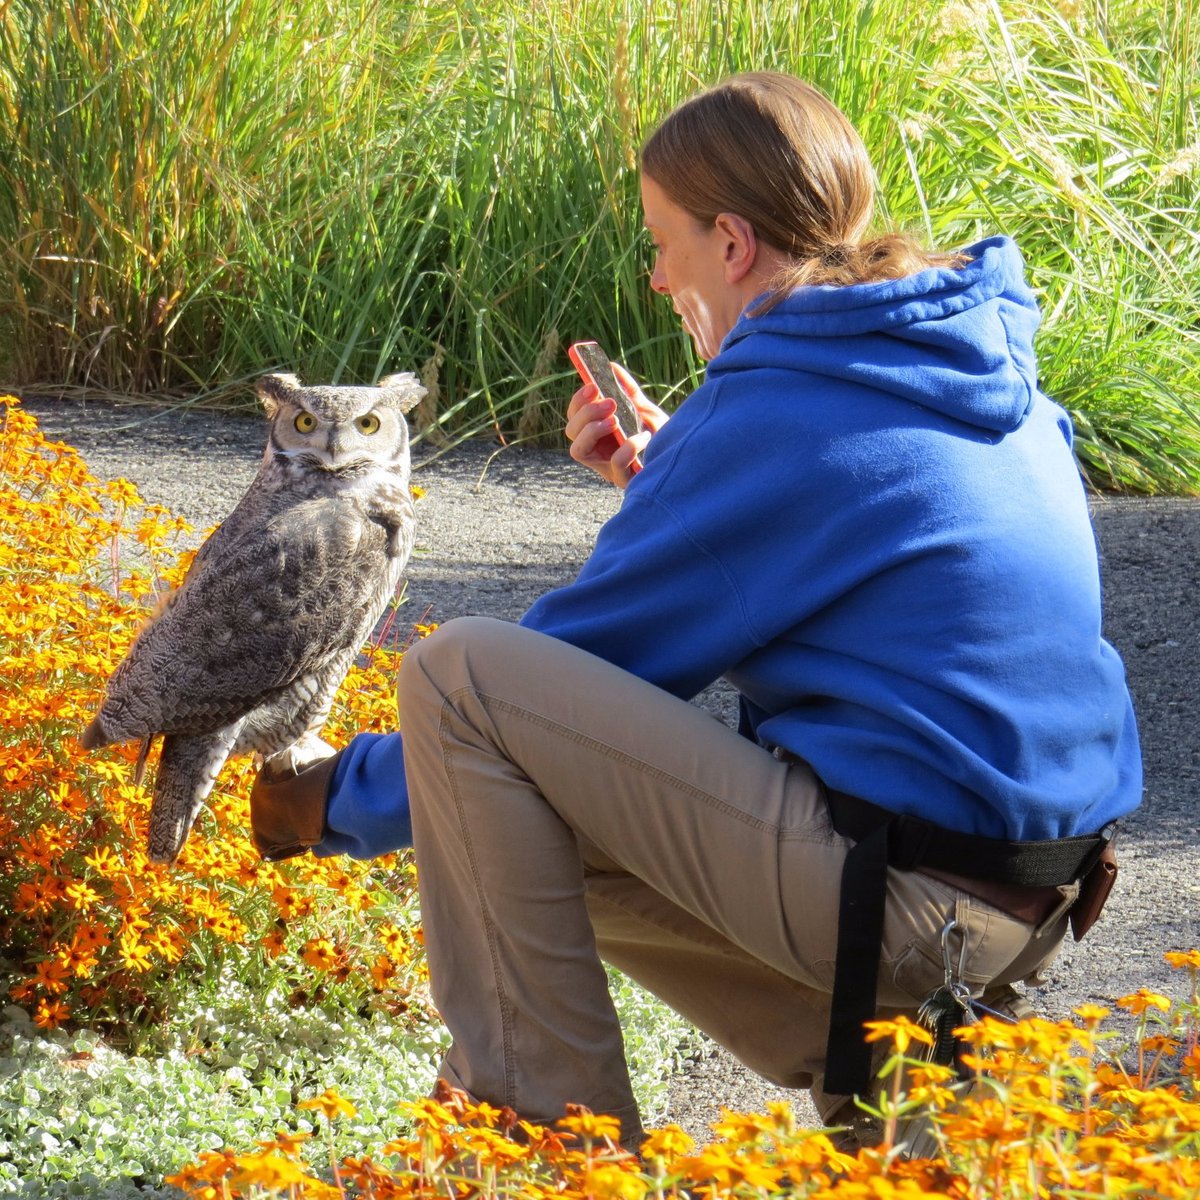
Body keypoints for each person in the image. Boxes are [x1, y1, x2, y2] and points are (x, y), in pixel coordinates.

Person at [250, 72, 1141, 1151]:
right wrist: (673, 480)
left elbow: (593, 664)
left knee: (463, 686)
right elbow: (863, 538)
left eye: (661, 241)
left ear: (730, 243)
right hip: (1027, 898)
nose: (657, 276)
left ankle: (544, 1150)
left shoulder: (776, 415)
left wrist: (331, 798)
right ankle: (917, 1113)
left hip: (901, 906)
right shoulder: (958, 359)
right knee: (514, 818)